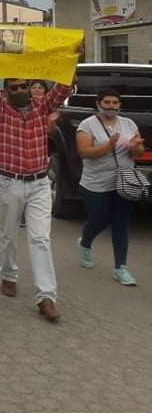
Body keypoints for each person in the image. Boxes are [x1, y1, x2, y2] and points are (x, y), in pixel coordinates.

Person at [0, 75, 71, 322]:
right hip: (10, 182)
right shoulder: (1, 107)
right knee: (9, 234)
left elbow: (62, 87)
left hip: (40, 183)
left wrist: (70, 59)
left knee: (41, 239)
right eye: (14, 88)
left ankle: (46, 297)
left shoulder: (43, 106)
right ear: (7, 91)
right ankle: (9, 274)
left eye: (24, 86)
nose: (20, 91)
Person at [75, 88, 145, 286]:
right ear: (98, 104)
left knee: (121, 224)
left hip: (124, 181)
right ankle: (85, 243)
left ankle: (121, 268)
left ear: (119, 105)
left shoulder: (128, 124)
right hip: (95, 183)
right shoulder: (87, 125)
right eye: (107, 102)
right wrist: (108, 146)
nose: (111, 106)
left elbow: (138, 153)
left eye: (115, 103)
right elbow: (84, 152)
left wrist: (135, 147)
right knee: (99, 220)